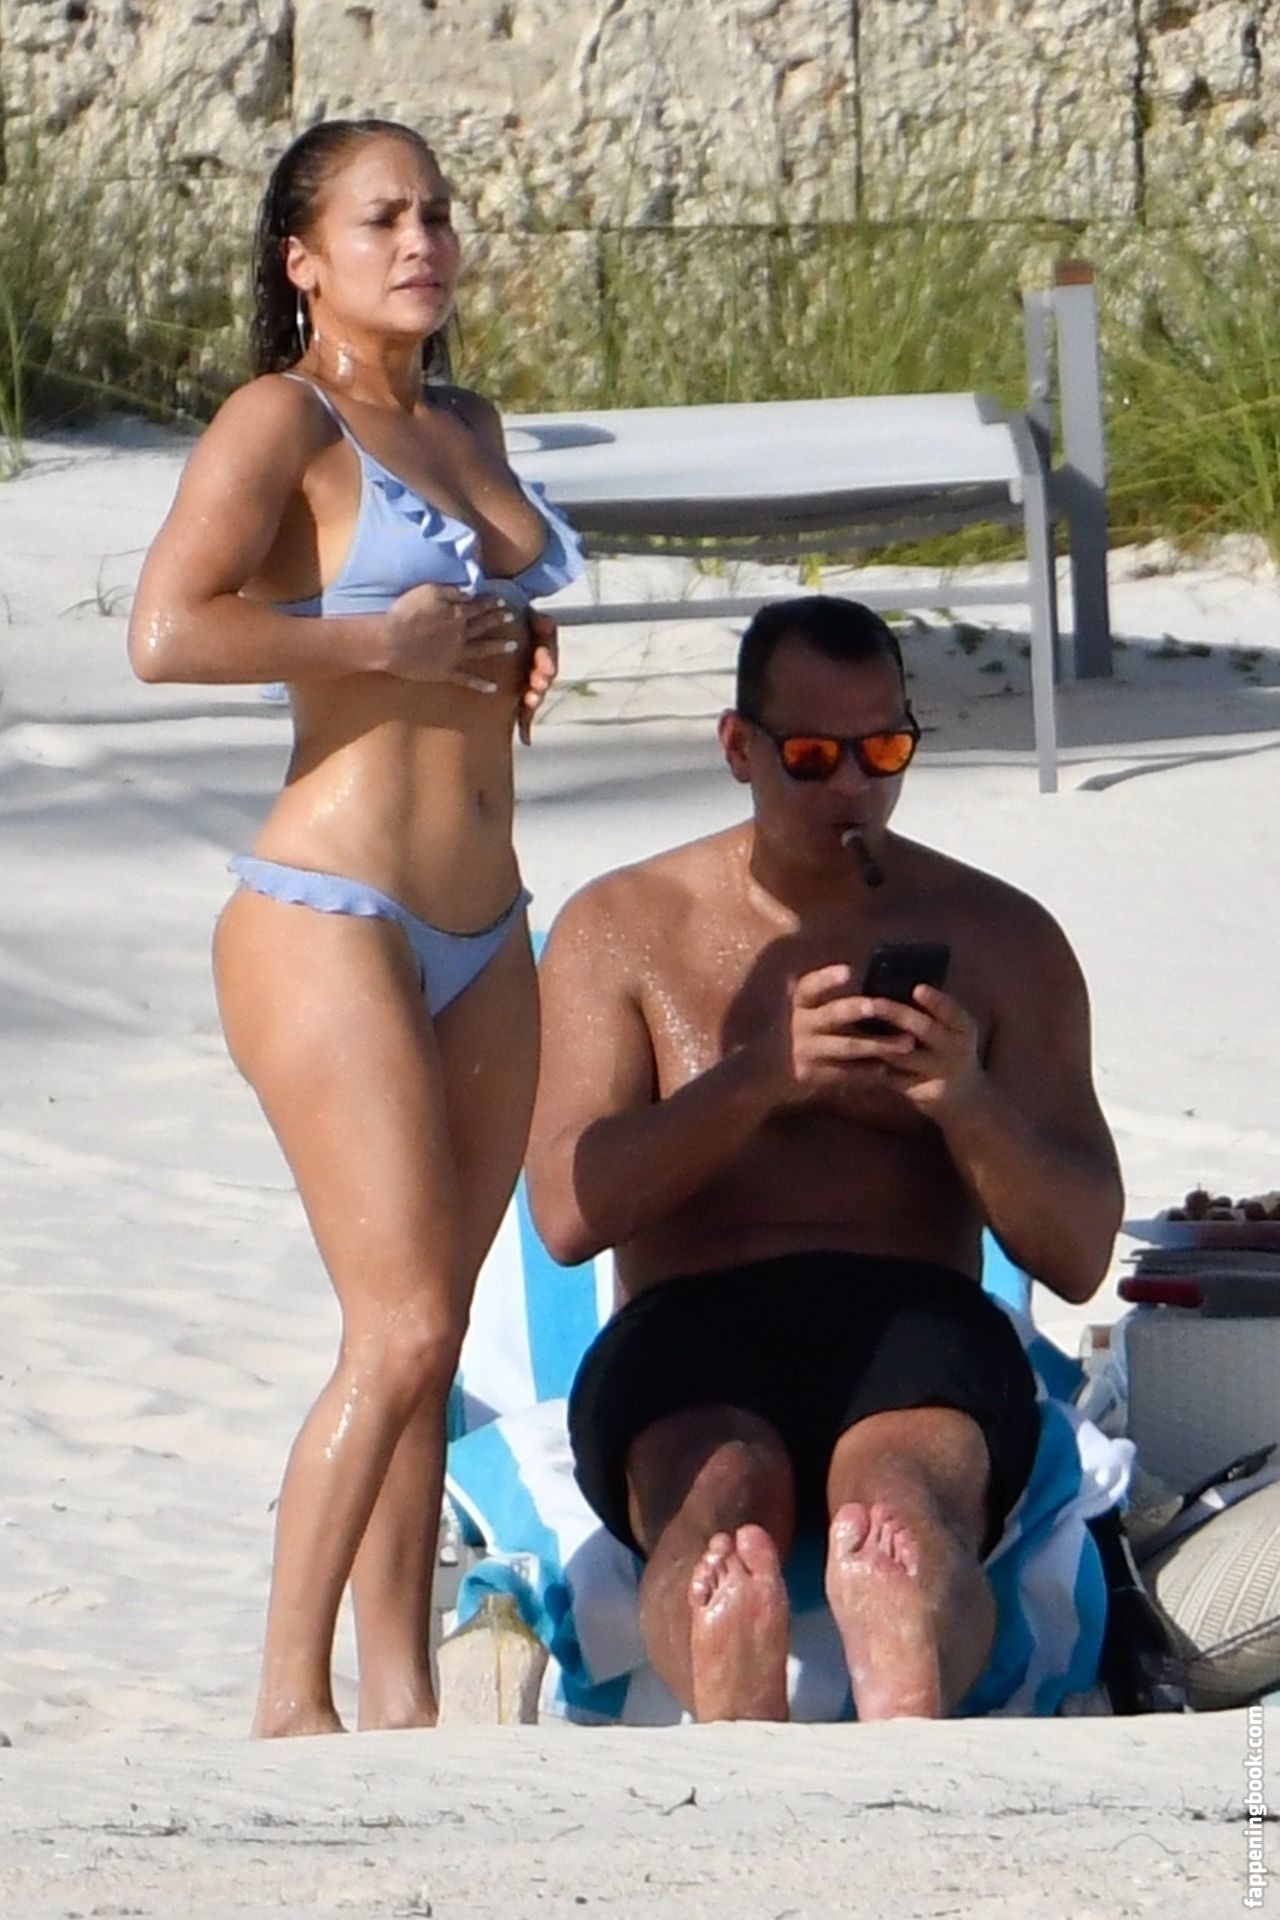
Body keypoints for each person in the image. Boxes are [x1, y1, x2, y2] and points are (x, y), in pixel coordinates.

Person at [128, 117, 584, 1737]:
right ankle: (285, 1701)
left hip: (486, 922)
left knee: (433, 1337)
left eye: (438, 214)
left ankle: (402, 1705)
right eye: (382, 218)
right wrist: (372, 643)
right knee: (397, 1327)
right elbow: (167, 631)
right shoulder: (283, 418)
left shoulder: (469, 422)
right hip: (330, 907)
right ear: (303, 259)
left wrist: (512, 646)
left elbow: (466, 616)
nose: (422, 242)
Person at [525, 595, 1122, 1725]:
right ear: (737, 747)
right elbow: (565, 1210)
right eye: (810, 757)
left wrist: (964, 1100)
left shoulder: (1003, 938)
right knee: (722, 1512)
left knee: (898, 1512)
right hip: (690, 1315)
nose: (851, 787)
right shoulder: (626, 926)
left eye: (882, 752)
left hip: (914, 1311)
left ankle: (903, 1715)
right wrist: (758, 1078)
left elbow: (1080, 1248)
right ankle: (737, 1715)